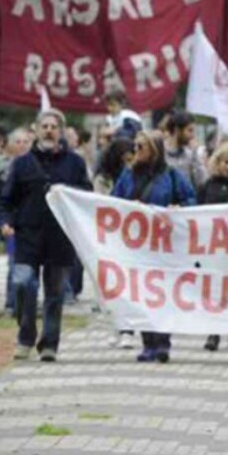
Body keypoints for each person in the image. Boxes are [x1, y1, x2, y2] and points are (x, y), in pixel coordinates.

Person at [0, 109, 92, 362]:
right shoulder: (21, 163)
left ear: (61, 131)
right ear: (36, 130)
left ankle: (49, 343)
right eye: (45, 126)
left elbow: (86, 195)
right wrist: (6, 222)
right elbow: (7, 199)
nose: (49, 130)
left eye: (53, 126)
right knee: (23, 283)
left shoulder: (75, 163)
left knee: (54, 293)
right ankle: (25, 335)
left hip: (59, 237)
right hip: (28, 235)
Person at [111, 131, 196, 363]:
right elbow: (113, 202)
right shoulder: (127, 176)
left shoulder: (171, 176)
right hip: (136, 246)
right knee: (142, 293)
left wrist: (176, 207)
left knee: (162, 293)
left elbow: (190, 200)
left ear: (154, 151)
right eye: (135, 147)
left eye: (141, 147)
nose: (135, 152)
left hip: (163, 245)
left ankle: (162, 342)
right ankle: (148, 342)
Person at [199, 142, 228, 352]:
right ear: (218, 162)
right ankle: (213, 332)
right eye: (227, 163)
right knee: (213, 291)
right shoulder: (207, 186)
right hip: (212, 247)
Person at [93, 137, 136, 349]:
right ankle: (116, 325)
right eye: (125, 160)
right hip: (110, 237)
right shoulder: (103, 179)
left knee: (130, 283)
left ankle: (128, 328)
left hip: (131, 238)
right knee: (112, 283)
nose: (129, 164)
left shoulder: (137, 176)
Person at [0, 128, 34, 316]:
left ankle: (28, 305)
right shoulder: (2, 167)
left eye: (26, 142)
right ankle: (11, 304)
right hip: (13, 224)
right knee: (14, 263)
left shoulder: (38, 166)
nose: (22, 145)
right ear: (11, 145)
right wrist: (2, 222)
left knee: (31, 266)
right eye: (18, 142)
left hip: (34, 224)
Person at [164, 110, 208, 190]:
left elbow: (202, 182)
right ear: (177, 130)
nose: (192, 135)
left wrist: (195, 155)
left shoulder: (190, 155)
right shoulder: (160, 153)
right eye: (189, 130)